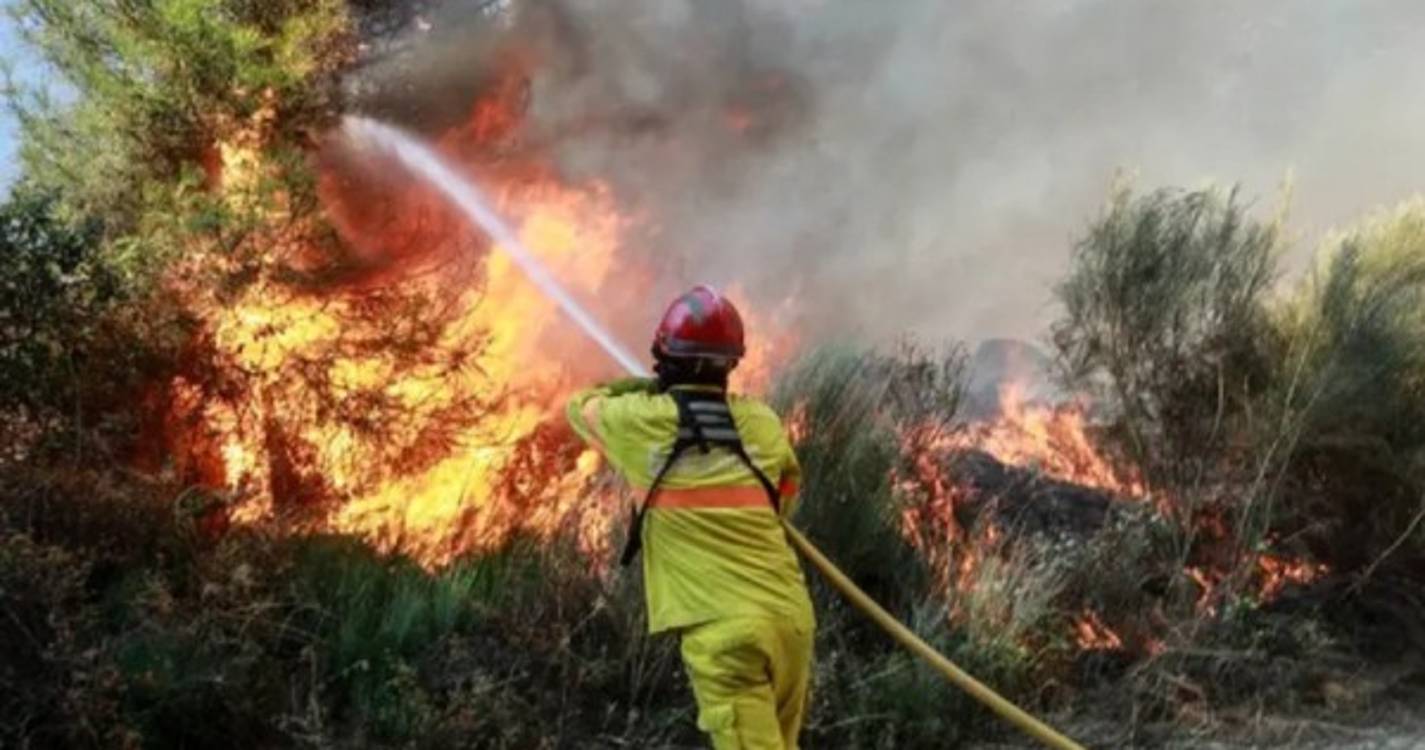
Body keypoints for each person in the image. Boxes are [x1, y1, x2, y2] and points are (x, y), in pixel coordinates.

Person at [566, 285, 816, 750]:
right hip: (790, 620)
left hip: (724, 634)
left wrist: (641, 386)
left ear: (663, 354)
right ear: (733, 363)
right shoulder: (761, 422)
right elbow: (785, 498)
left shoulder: (639, 422)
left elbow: (580, 407)